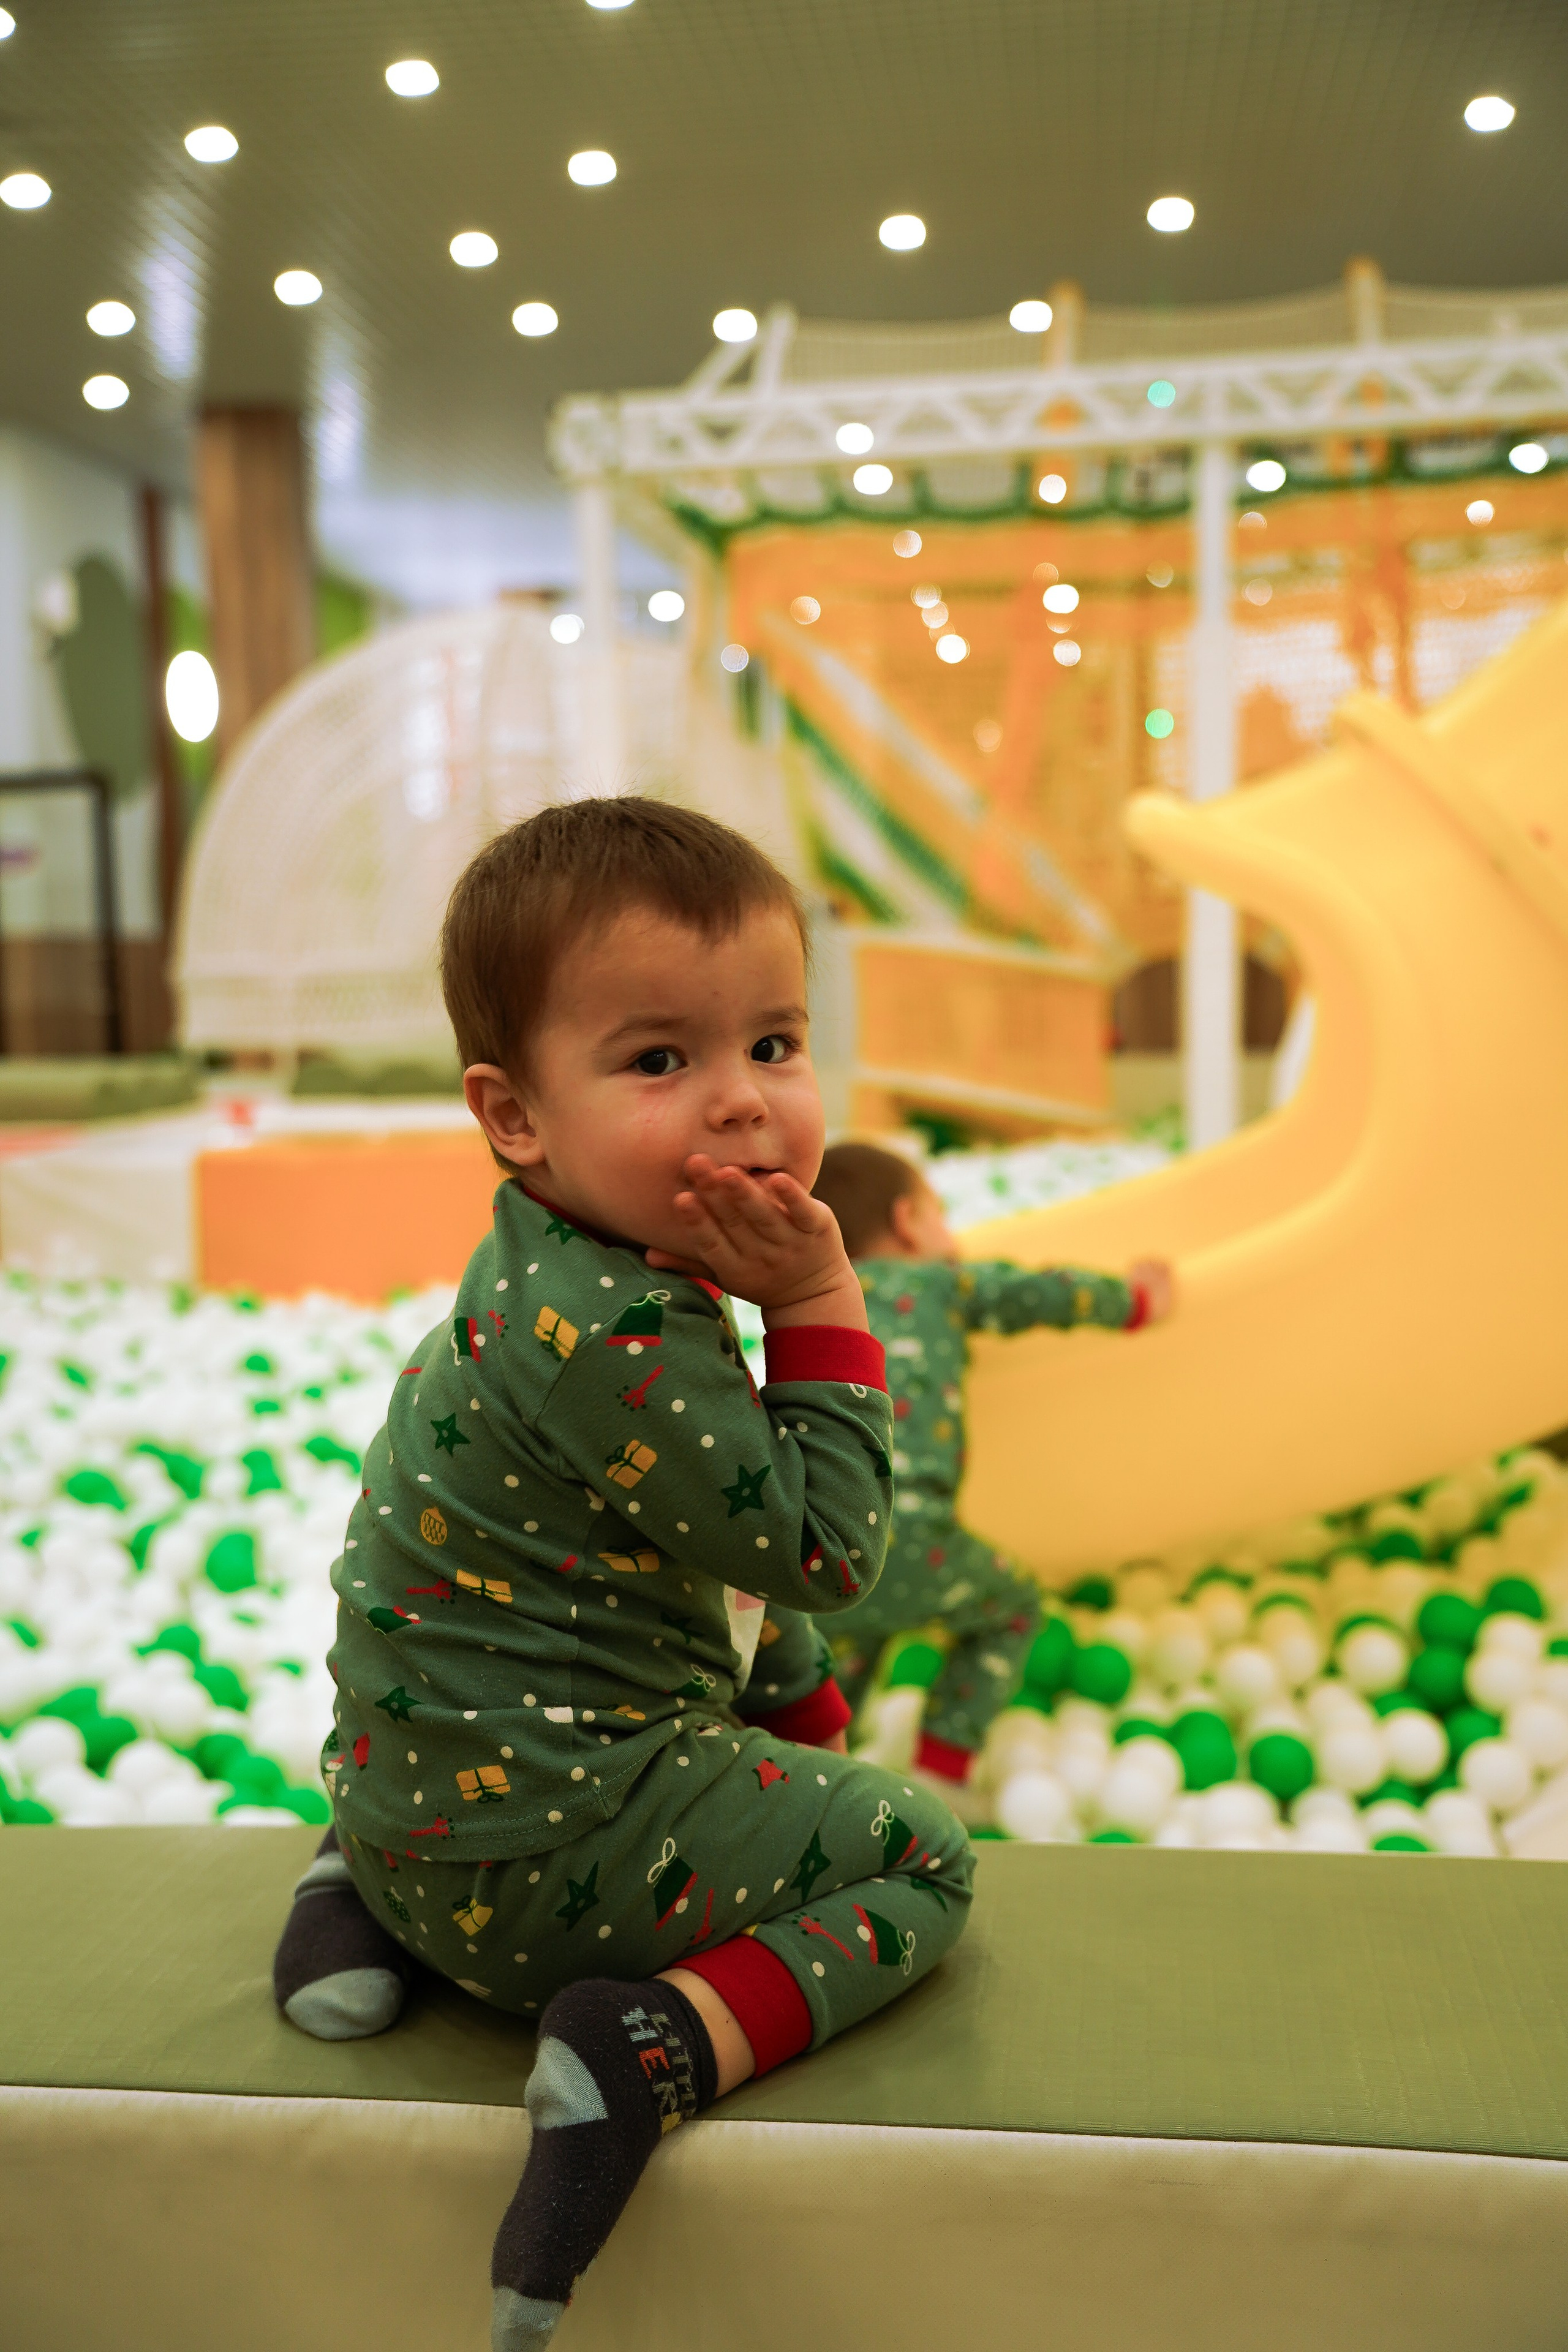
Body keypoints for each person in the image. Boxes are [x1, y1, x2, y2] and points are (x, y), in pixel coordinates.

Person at [269, 799, 973, 2352]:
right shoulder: (632, 1335)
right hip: (543, 1886)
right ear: (514, 1113)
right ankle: (646, 2045)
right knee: (925, 1860)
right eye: (660, 1061)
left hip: (416, 1809)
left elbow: (700, 1558)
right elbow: (821, 1546)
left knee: (519, 1636)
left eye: (774, 1045)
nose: (740, 1105)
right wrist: (824, 1296)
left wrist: (798, 1715)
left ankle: (357, 1885)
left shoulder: (543, 1256)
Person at [811, 1140, 1172, 1799]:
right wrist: (1135, 1302)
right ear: (906, 1223)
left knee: (848, 1646)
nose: (950, 1237)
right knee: (1011, 1606)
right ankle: (941, 1770)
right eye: (939, 1215)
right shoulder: (940, 1283)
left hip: (823, 1541)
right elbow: (1039, 1295)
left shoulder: (805, 1299)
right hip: (913, 1532)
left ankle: (811, 1780)